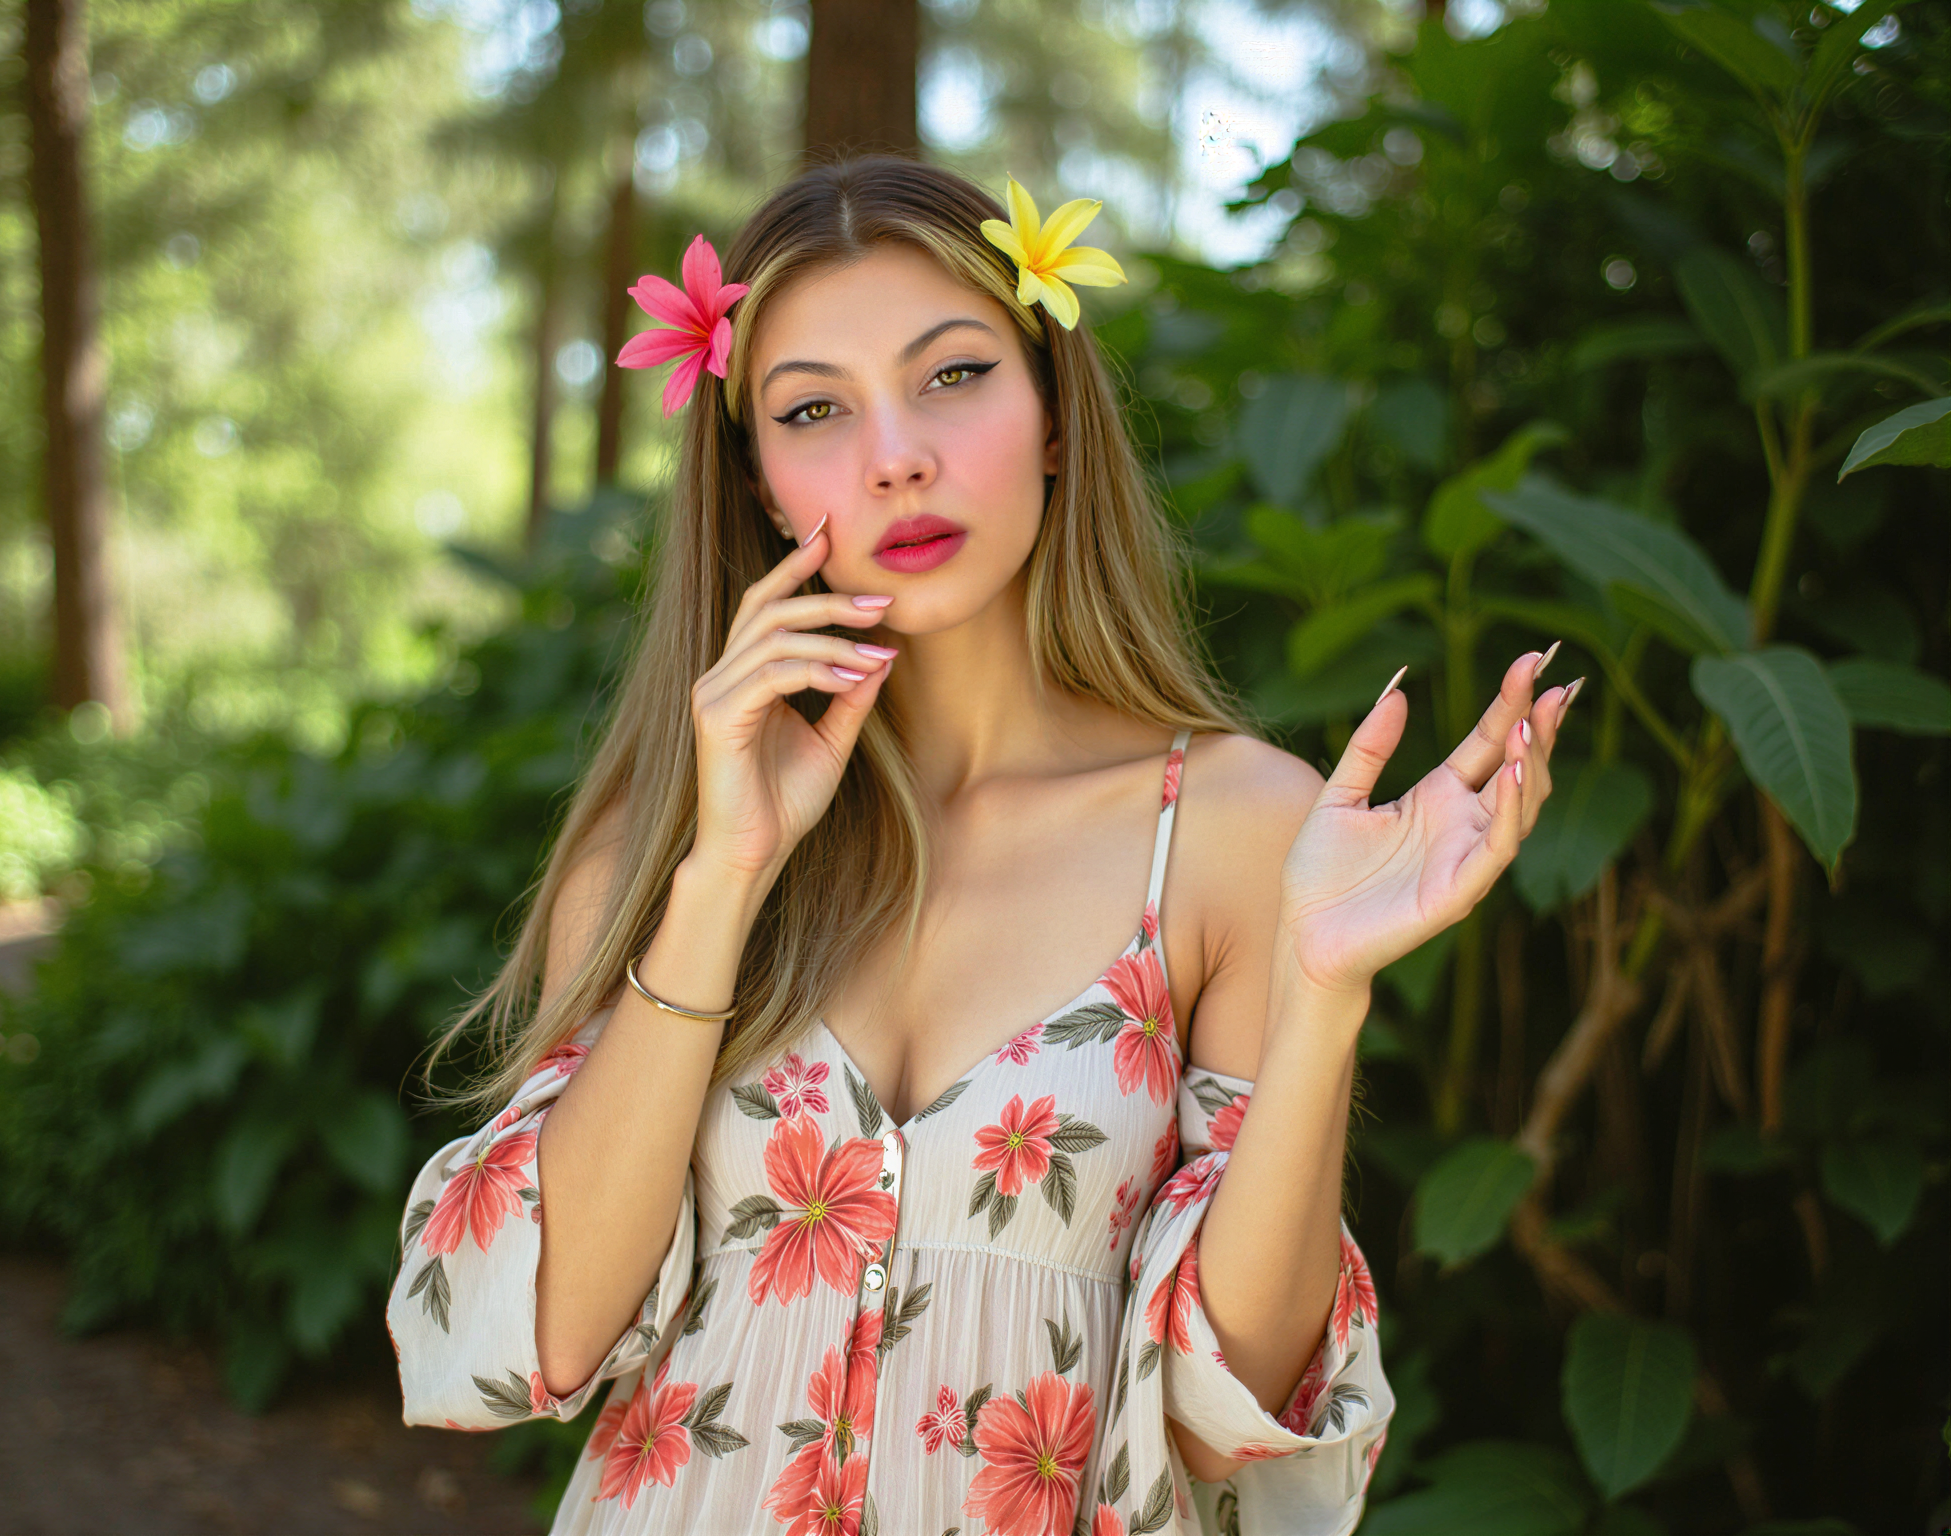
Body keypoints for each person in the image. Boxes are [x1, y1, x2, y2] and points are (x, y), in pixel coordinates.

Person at [385, 156, 1578, 1536]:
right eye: (815, 409)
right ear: (765, 487)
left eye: (952, 376)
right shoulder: (664, 847)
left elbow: (1236, 1405)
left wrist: (1326, 994)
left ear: (1055, 412)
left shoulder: (1237, 829)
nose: (896, 454)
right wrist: (723, 876)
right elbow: (551, 1334)